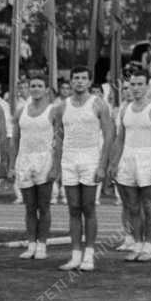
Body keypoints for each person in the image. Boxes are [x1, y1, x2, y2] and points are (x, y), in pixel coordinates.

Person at [51, 67, 114, 272]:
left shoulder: (98, 104)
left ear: (89, 81)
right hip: (69, 160)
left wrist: (103, 166)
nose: (79, 82)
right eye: (76, 78)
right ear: (70, 82)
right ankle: (75, 255)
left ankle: (89, 254)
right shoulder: (61, 107)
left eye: (83, 78)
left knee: (89, 207)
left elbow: (109, 135)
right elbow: (58, 137)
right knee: (73, 208)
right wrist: (57, 165)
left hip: (90, 159)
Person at [109, 68, 151, 263]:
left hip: (147, 158)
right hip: (128, 159)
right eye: (132, 84)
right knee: (132, 206)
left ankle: (148, 246)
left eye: (140, 84)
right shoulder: (125, 109)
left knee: (148, 205)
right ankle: (137, 244)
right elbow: (119, 138)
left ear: (148, 86)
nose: (136, 88)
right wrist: (114, 162)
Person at [11, 73, 57, 261]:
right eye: (33, 86)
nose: (36, 89)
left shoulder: (54, 111)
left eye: (40, 85)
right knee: (29, 206)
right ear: (29, 89)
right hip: (25, 159)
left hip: (44, 160)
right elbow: (15, 138)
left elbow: (60, 138)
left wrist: (56, 166)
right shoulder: (21, 111)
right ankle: (31, 244)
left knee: (43, 206)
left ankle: (42, 245)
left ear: (46, 89)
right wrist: (13, 163)